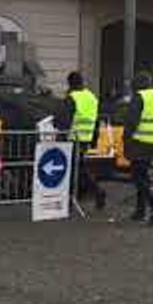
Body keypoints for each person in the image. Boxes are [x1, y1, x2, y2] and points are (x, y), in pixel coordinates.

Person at [58, 71, 106, 211]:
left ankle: (73, 199)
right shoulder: (91, 97)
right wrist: (94, 139)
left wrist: (58, 129)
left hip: (72, 137)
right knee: (79, 168)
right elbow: (96, 120)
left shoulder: (72, 97)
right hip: (85, 138)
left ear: (70, 83)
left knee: (73, 169)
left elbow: (64, 120)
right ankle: (95, 193)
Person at [123, 71, 153, 226]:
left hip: (139, 142)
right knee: (143, 176)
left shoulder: (140, 97)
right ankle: (140, 211)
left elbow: (131, 122)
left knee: (138, 178)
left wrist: (126, 142)